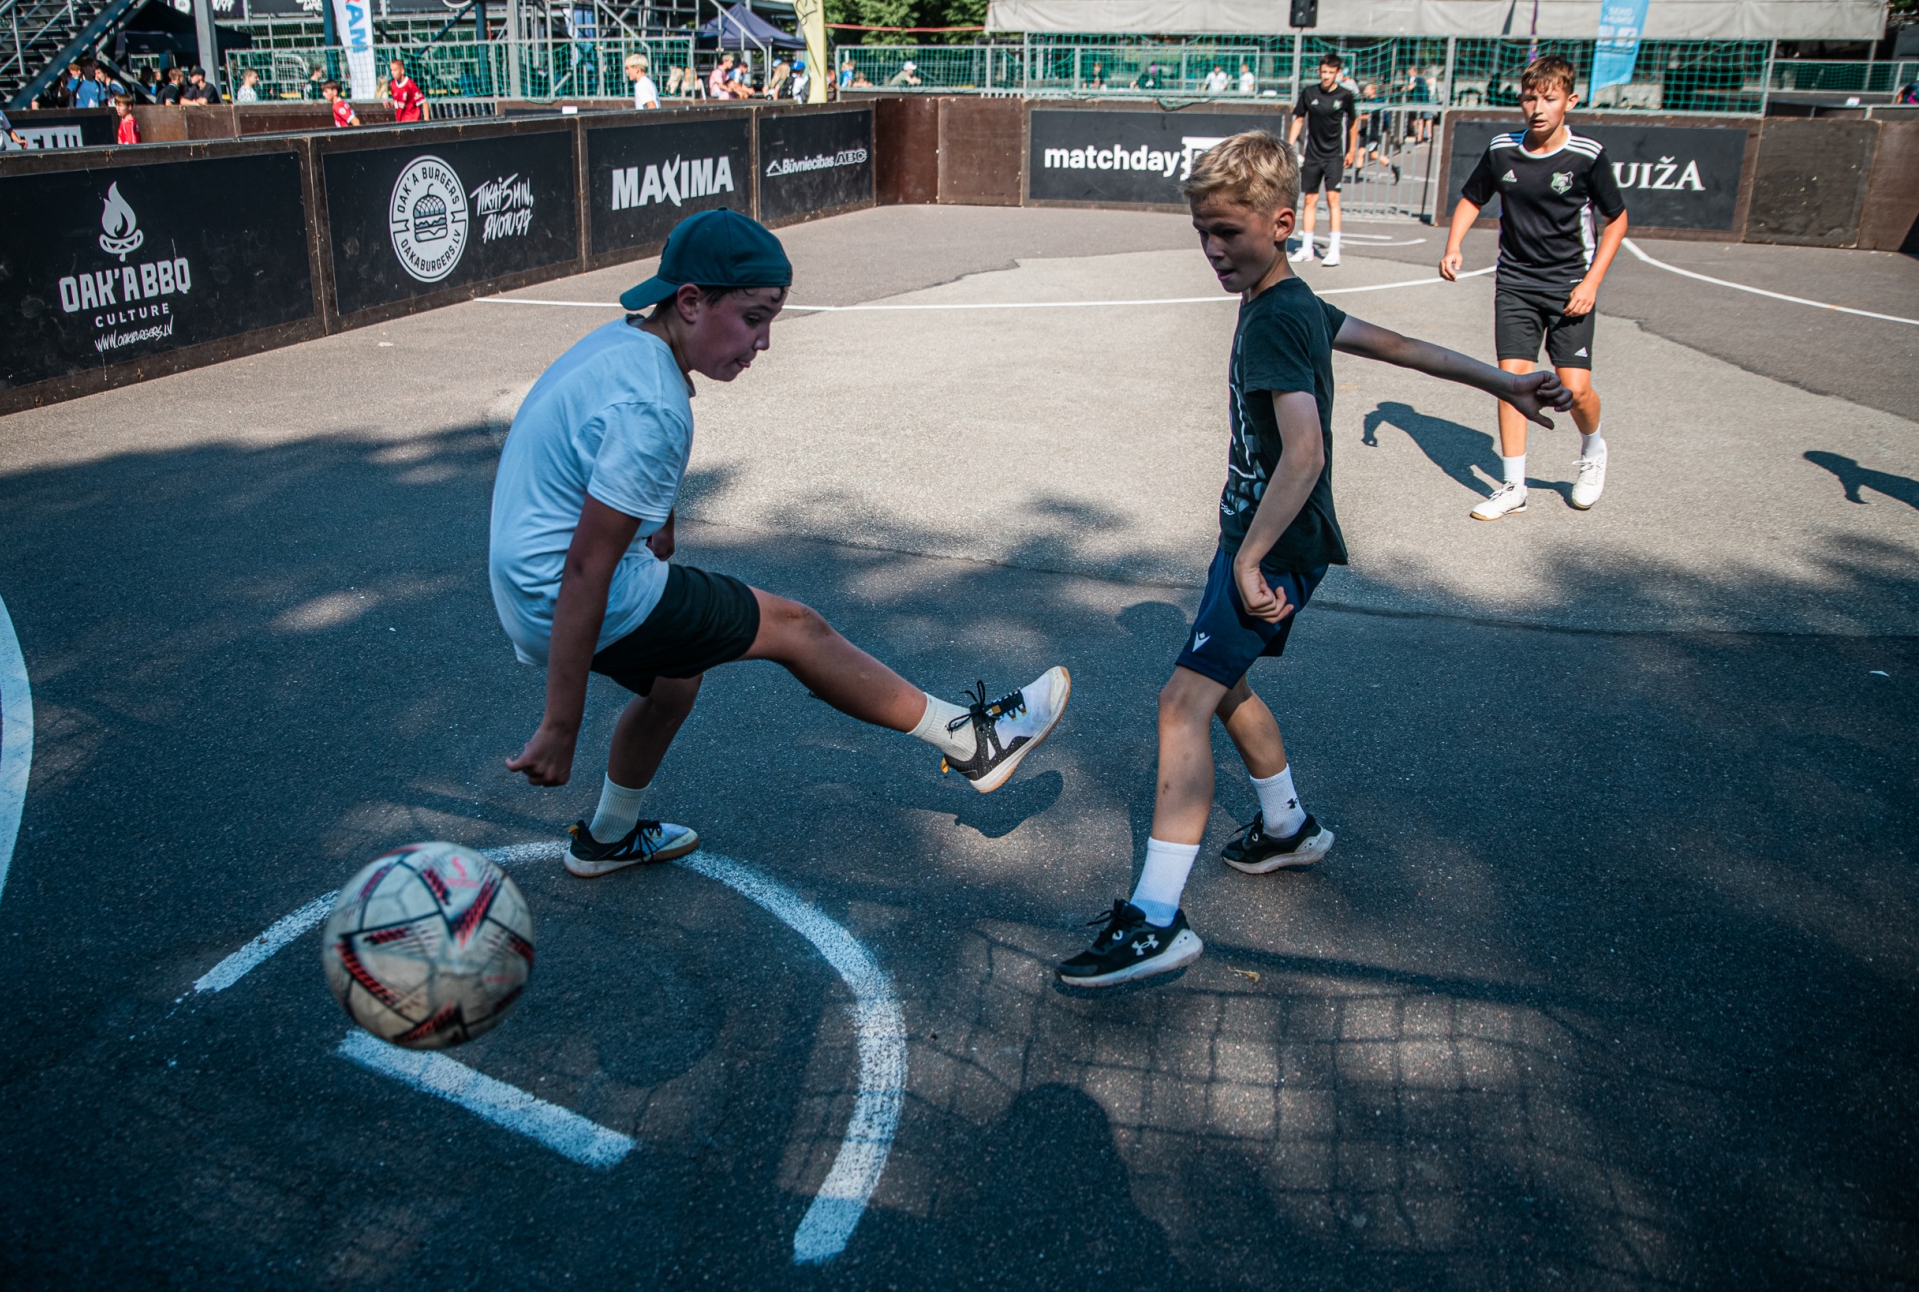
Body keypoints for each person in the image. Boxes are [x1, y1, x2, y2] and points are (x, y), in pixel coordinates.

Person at [1053, 131, 1575, 987]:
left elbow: (1304, 456)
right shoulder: (1292, 302)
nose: (1213, 249)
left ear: (1281, 222)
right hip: (1253, 536)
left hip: (1271, 545)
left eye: (1228, 231)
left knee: (1181, 704)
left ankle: (1155, 920)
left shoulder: (1275, 319)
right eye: (1202, 233)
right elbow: (1399, 346)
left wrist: (1251, 561)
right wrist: (1504, 382)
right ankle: (1287, 826)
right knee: (1223, 686)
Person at [492, 209, 1073, 878]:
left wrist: (660, 517)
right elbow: (587, 567)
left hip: (525, 580)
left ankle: (609, 837)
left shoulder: (623, 345)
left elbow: (604, 468)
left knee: (676, 679)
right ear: (690, 302)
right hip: (563, 591)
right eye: (753, 318)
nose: (763, 342)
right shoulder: (654, 406)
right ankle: (972, 741)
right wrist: (559, 724)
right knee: (797, 628)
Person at [1439, 53, 1628, 519]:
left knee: (1575, 389)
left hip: (1570, 285)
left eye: (1549, 98)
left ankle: (1593, 449)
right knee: (1512, 383)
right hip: (1515, 283)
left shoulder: (1587, 156)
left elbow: (1617, 221)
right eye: (1529, 98)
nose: (1538, 108)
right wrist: (1454, 244)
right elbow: (1471, 198)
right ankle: (1513, 487)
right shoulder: (1502, 149)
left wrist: (1592, 282)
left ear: (1570, 100)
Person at [1288, 52, 1356, 267]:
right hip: (1312, 155)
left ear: (1338, 73)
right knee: (1309, 200)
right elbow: (1299, 120)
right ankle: (1306, 248)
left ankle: (1334, 251)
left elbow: (1353, 123)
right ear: (1319, 71)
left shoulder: (1345, 95)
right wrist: (1289, 145)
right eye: (1324, 71)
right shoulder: (1309, 93)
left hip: (1334, 155)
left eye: (1331, 72)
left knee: (1333, 200)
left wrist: (1352, 150)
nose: (1326, 76)